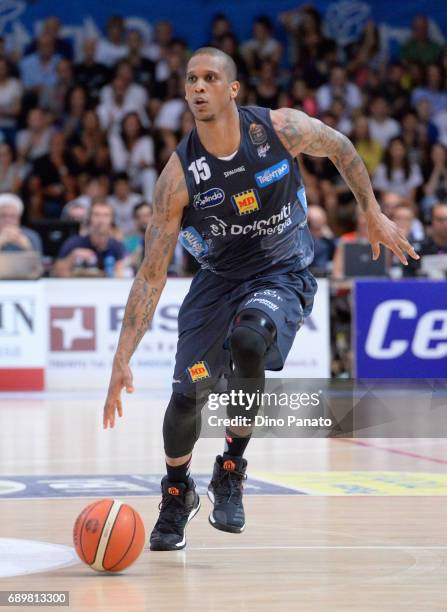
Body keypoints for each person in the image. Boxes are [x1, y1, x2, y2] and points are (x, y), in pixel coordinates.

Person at [103, 48, 418, 551]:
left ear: (233, 89)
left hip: (280, 270)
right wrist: (122, 357)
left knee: (250, 340)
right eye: (191, 79)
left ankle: (230, 467)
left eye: (210, 78)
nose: (199, 87)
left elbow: (342, 148)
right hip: (217, 282)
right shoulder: (178, 178)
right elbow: (150, 276)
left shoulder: (280, 130)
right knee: (188, 396)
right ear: (185, 92)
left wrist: (372, 211)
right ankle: (177, 490)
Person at [53, 199, 126, 277]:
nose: (101, 220)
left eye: (106, 215)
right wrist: (73, 256)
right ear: (89, 219)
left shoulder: (117, 246)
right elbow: (56, 273)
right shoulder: (74, 243)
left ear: (112, 220)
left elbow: (120, 275)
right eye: (96, 215)